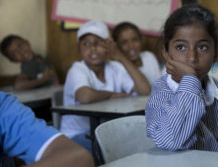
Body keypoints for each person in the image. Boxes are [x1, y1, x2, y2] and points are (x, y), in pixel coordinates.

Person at [146, 4, 218, 155]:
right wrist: (190, 81)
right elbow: (171, 139)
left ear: (216, 53)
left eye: (202, 47)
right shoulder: (162, 90)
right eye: (180, 47)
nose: (192, 58)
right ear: (166, 52)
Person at [61, 20, 151, 152]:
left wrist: (119, 56)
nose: (92, 48)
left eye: (98, 43)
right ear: (79, 49)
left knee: (142, 139)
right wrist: (110, 95)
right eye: (86, 44)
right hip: (77, 134)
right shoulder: (78, 69)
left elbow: (145, 90)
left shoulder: (115, 68)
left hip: (106, 131)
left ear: (109, 46)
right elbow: (85, 96)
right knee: (119, 149)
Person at [0, 91, 94, 167]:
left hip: (68, 139)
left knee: (95, 143)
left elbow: (79, 158)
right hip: (75, 134)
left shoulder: (4, 106)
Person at [112, 22, 161, 86]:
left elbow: (160, 85)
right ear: (117, 46)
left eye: (134, 40)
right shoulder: (116, 68)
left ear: (141, 40)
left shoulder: (149, 57)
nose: (131, 46)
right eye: (124, 42)